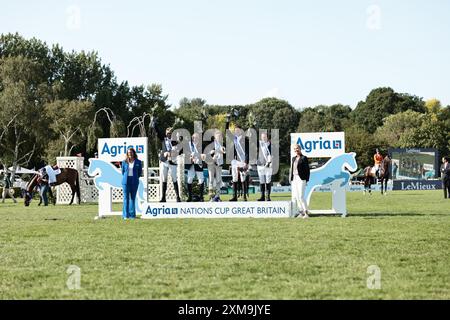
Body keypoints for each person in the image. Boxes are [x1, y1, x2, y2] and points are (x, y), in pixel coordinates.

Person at [226, 120, 250, 202]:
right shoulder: (234, 139)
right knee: (235, 178)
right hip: (235, 161)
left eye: (238, 130)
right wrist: (227, 121)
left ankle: (244, 196)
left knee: (243, 178)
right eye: (235, 131)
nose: (236, 132)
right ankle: (234, 196)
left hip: (242, 161)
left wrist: (246, 162)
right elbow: (227, 132)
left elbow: (247, 152)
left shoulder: (245, 139)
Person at [159, 127, 181, 202]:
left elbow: (179, 151)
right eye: (168, 133)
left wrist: (171, 153)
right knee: (164, 179)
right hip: (164, 161)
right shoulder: (163, 139)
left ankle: (178, 197)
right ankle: (163, 197)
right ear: (166, 133)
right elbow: (158, 132)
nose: (169, 134)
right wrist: (155, 124)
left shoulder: (175, 141)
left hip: (172, 162)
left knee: (174, 178)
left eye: (170, 133)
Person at [121, 148, 142, 219]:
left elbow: (139, 172)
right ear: (127, 154)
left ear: (134, 153)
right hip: (126, 182)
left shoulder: (138, 162)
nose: (130, 154)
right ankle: (125, 215)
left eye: (131, 152)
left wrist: (135, 177)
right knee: (126, 198)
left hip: (134, 181)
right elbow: (123, 172)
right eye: (128, 152)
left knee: (133, 198)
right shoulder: (124, 162)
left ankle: (132, 215)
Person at [290, 144, 310, 218]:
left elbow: (307, 170)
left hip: (301, 179)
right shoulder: (293, 158)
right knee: (297, 196)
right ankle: (301, 212)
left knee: (301, 196)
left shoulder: (304, 158)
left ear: (300, 149)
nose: (296, 150)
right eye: (295, 149)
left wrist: (307, 180)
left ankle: (306, 212)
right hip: (294, 179)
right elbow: (292, 169)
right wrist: (291, 178)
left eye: (297, 148)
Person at [185, 133, 206, 202]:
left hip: (198, 163)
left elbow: (204, 153)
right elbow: (186, 152)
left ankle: (201, 197)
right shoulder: (188, 144)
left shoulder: (201, 145)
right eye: (194, 137)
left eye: (197, 137)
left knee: (201, 179)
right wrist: (190, 156)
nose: (195, 139)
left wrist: (202, 155)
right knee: (189, 180)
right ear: (192, 137)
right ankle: (190, 197)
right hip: (191, 163)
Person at [207, 130, 225, 201]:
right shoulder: (210, 144)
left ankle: (217, 196)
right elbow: (205, 154)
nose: (219, 138)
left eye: (220, 136)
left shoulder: (222, 145)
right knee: (211, 180)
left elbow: (225, 153)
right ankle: (211, 196)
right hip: (211, 163)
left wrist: (223, 152)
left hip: (219, 164)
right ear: (215, 137)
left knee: (218, 180)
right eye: (218, 136)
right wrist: (211, 154)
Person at [257, 132, 273, 201]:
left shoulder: (270, 145)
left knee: (268, 181)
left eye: (265, 137)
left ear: (267, 138)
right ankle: (262, 196)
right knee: (262, 181)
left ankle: (268, 196)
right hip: (260, 165)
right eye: (262, 137)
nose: (263, 138)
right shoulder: (259, 144)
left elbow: (272, 154)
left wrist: (269, 161)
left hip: (268, 165)